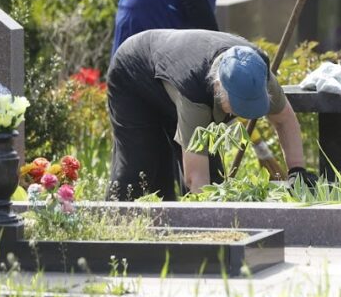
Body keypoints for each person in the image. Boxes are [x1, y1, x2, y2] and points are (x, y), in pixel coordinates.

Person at [106, 29, 317, 201]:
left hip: (173, 80)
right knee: (138, 173)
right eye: (236, 106)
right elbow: (196, 180)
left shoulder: (256, 69)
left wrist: (297, 171)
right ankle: (111, 238)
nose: (240, 114)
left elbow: (285, 119)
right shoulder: (195, 93)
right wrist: (216, 229)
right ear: (218, 87)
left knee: (215, 182)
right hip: (134, 77)